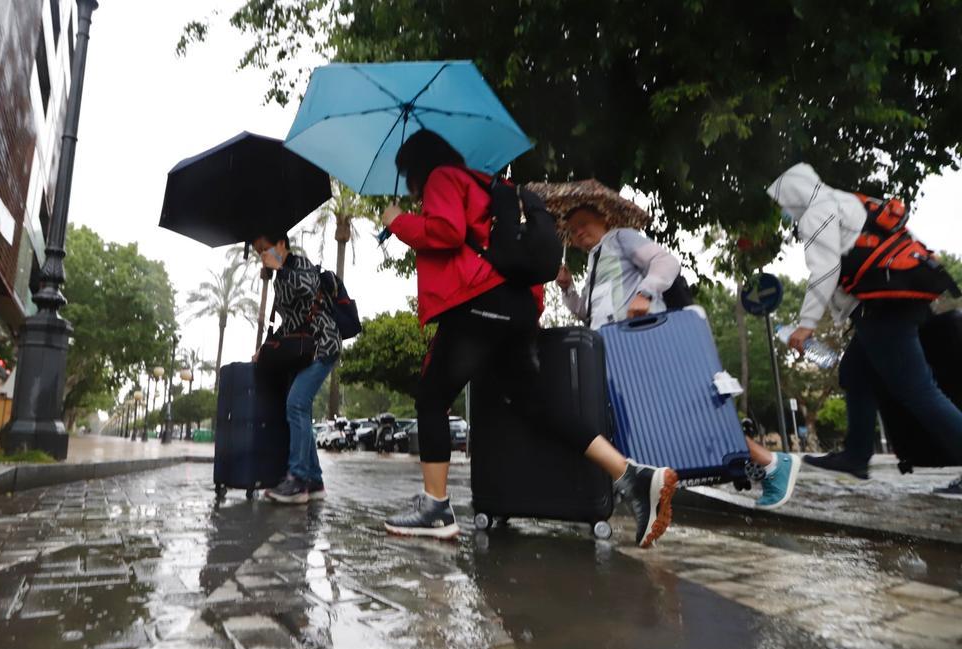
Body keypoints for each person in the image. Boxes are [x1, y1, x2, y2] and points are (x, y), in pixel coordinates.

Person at [378, 130, 678, 547]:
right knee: (535, 405)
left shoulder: (444, 178)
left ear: (417, 165)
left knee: (432, 395)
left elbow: (445, 232)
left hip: (477, 302)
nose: (412, 187)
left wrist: (398, 221)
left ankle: (434, 508)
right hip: (518, 309)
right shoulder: (491, 187)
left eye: (408, 176)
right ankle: (631, 475)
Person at [556, 203, 801, 510]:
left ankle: (772, 463)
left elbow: (666, 262)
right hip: (616, 351)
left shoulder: (621, 238)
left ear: (603, 219)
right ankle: (634, 485)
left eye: (584, 223)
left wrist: (645, 293)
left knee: (688, 411)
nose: (578, 232)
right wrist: (567, 290)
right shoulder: (595, 261)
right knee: (633, 418)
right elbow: (588, 314)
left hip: (645, 341)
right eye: (572, 230)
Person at [770, 163, 962, 479]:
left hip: (881, 309)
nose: (785, 209)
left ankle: (858, 454)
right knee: (855, 374)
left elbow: (825, 271)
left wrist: (806, 326)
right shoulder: (853, 201)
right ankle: (856, 455)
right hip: (904, 299)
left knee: (918, 391)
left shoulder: (816, 214)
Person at [254, 232, 342, 504]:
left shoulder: (299, 266)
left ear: (282, 245)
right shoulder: (281, 275)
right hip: (306, 349)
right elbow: (290, 322)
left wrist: (278, 271)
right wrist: (266, 348)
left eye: (266, 250)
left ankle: (298, 480)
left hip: (323, 344)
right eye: (259, 253)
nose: (263, 256)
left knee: (296, 405)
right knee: (299, 406)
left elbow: (306, 290)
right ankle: (313, 481)